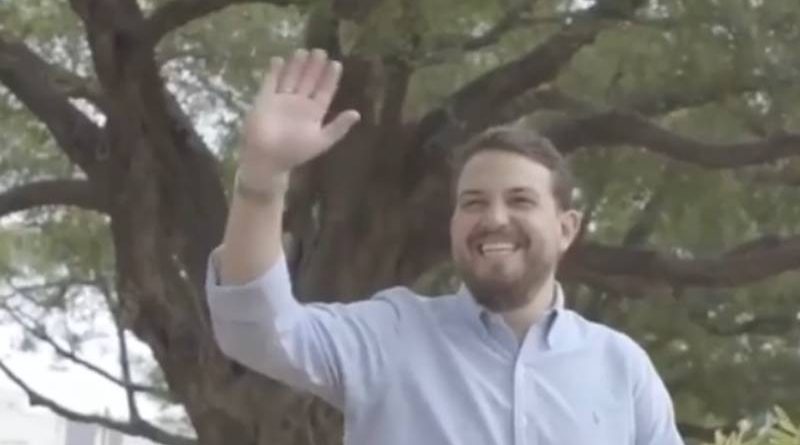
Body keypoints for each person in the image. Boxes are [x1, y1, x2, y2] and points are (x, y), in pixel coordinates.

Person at [205, 48, 685, 445]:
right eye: (473, 202)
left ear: (566, 228)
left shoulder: (621, 368)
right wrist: (263, 179)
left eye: (520, 200)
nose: (494, 219)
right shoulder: (389, 334)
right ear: (454, 223)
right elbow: (258, 328)